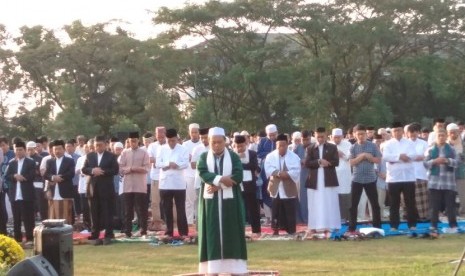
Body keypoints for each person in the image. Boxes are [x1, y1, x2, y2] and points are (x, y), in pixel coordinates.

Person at [197, 127, 246, 275]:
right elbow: (203, 173)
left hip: (230, 203)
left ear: (225, 141)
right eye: (213, 142)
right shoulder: (204, 157)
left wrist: (219, 186)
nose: (217, 145)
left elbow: (238, 176)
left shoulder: (234, 156)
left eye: (219, 142)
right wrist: (222, 180)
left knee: (232, 232)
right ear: (209, 142)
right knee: (211, 233)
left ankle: (235, 268)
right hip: (210, 203)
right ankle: (212, 269)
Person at [82, 136, 119, 245]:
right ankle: (95, 234)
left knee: (107, 212)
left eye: (100, 145)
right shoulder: (90, 156)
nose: (98, 147)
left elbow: (115, 170)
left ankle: (108, 234)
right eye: (96, 145)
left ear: (105, 145)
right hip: (93, 188)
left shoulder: (111, 156)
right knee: (93, 212)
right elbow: (84, 169)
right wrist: (93, 170)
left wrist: (102, 171)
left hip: (106, 188)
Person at [346, 125, 382, 234]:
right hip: (357, 178)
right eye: (359, 134)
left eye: (363, 134)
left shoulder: (373, 146)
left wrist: (369, 157)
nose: (361, 136)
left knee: (374, 204)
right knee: (353, 205)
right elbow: (351, 162)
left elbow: (378, 160)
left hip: (370, 178)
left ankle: (377, 227)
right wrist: (362, 156)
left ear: (366, 134)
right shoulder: (353, 147)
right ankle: (352, 227)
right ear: (354, 135)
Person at [305, 127, 341, 235]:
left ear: (326, 136)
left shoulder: (332, 147)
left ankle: (331, 225)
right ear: (315, 136)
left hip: (329, 179)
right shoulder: (310, 148)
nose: (320, 139)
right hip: (314, 180)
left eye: (322, 137)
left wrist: (328, 163)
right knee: (314, 203)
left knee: (330, 201)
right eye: (318, 137)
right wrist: (319, 162)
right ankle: (314, 226)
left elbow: (336, 162)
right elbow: (307, 163)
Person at [383, 122, 417, 233]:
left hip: (408, 177)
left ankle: (412, 224)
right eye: (395, 131)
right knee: (394, 203)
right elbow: (386, 157)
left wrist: (398, 158)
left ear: (403, 131)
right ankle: (394, 225)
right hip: (394, 178)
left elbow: (413, 155)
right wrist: (399, 156)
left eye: (399, 130)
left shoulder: (409, 143)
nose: (397, 133)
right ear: (392, 132)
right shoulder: (388, 144)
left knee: (410, 202)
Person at [424, 128, 459, 237]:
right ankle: (433, 226)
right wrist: (435, 161)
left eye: (443, 135)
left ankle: (453, 226)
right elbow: (425, 163)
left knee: (450, 206)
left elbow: (457, 162)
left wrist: (447, 161)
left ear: (446, 136)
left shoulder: (452, 149)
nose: (441, 137)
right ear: (436, 137)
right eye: (439, 136)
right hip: (434, 182)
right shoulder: (430, 149)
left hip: (449, 182)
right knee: (434, 206)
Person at [265, 134, 301, 235]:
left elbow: (297, 170)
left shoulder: (294, 157)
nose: (281, 147)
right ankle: (275, 230)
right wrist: (278, 173)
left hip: (288, 186)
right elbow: (268, 168)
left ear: (287, 144)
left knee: (289, 210)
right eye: (279, 145)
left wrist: (287, 174)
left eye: (284, 145)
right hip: (275, 186)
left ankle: (291, 230)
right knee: (275, 210)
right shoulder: (270, 156)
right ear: (276, 145)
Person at [156, 128, 189, 237]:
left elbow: (186, 163)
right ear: (166, 139)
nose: (171, 143)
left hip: (179, 183)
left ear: (177, 139)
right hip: (165, 183)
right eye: (169, 141)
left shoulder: (183, 149)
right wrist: (167, 163)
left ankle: (183, 232)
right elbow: (157, 163)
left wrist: (176, 165)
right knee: (166, 208)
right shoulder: (161, 149)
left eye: (173, 141)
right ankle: (169, 232)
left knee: (180, 208)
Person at [119, 132, 150, 238]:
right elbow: (120, 168)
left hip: (140, 186)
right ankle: (128, 231)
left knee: (141, 210)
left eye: (134, 141)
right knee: (128, 210)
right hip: (128, 186)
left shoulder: (144, 153)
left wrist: (132, 169)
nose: (132, 143)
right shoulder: (125, 152)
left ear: (138, 141)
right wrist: (129, 169)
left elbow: (146, 169)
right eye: (130, 141)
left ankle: (143, 231)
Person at [5, 141, 36, 247]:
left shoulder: (30, 162)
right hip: (15, 194)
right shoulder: (12, 162)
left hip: (26, 194)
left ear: (25, 150)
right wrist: (14, 176)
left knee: (28, 218)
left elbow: (32, 175)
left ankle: (30, 238)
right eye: (16, 150)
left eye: (20, 150)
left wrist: (22, 177)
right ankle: (17, 239)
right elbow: (7, 175)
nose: (18, 152)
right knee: (16, 218)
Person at [234, 135, 261, 236]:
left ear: (245, 144)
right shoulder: (232, 155)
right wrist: (242, 163)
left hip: (250, 184)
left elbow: (254, 166)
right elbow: (232, 168)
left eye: (241, 146)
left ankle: (256, 230)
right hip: (237, 184)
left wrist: (240, 163)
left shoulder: (252, 153)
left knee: (253, 208)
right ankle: (238, 231)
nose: (240, 148)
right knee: (238, 209)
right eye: (238, 146)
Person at [44, 139, 76, 225]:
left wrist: (60, 178)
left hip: (65, 191)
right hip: (53, 191)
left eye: (59, 149)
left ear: (64, 149)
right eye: (55, 149)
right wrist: (53, 177)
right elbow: (46, 174)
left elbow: (71, 173)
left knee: (66, 215)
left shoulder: (70, 161)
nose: (57, 151)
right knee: (53, 215)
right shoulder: (49, 161)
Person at [407, 123, 429, 220]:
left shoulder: (423, 143)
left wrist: (421, 157)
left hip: (421, 173)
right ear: (407, 133)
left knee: (422, 197)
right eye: (411, 132)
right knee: (409, 197)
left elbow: (428, 156)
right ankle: (410, 216)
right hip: (408, 174)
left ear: (418, 132)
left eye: (415, 132)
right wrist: (414, 157)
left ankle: (423, 216)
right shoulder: (405, 143)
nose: (413, 134)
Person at [257, 124, 278, 224]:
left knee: (276, 192)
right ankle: (268, 217)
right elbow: (259, 153)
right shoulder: (263, 141)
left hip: (277, 170)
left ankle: (277, 216)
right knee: (266, 192)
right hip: (265, 170)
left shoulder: (280, 141)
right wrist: (270, 155)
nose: (272, 137)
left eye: (273, 135)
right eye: (270, 135)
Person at [330, 128, 352, 222]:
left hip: (345, 175)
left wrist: (341, 154)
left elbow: (350, 158)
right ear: (332, 137)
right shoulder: (329, 145)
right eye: (335, 137)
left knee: (345, 196)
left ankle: (345, 217)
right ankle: (334, 218)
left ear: (342, 137)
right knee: (333, 197)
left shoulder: (348, 144)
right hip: (332, 174)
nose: (337, 139)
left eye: (339, 137)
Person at [147, 126, 166, 230]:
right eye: (158, 136)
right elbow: (150, 159)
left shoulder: (170, 145)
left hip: (168, 178)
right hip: (155, 177)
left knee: (170, 202)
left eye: (162, 136)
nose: (160, 138)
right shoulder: (152, 146)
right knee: (155, 202)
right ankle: (157, 223)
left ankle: (171, 222)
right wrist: (164, 162)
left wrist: (158, 161)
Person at [182, 123, 201, 226]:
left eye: (196, 132)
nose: (194, 134)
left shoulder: (202, 144)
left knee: (198, 199)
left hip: (200, 175)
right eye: (192, 132)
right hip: (188, 174)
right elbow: (183, 159)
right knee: (189, 199)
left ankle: (199, 220)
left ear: (198, 132)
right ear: (189, 133)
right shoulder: (185, 145)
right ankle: (189, 221)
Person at [447, 123, 465, 217]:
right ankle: (451, 213)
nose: (453, 135)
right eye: (451, 133)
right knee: (449, 195)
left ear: (458, 132)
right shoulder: (445, 144)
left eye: (455, 132)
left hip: (461, 172)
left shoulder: (463, 144)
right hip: (448, 173)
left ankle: (463, 213)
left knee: (463, 195)